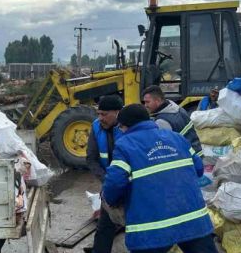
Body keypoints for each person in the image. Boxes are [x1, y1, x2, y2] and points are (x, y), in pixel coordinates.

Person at [103, 104, 217, 253]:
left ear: (125, 126)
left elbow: (115, 183)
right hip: (192, 220)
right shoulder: (177, 138)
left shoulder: (125, 145)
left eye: (121, 127)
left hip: (152, 227)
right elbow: (198, 169)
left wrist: (109, 200)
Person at [85, 95, 124, 253]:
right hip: (110, 185)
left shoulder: (127, 127)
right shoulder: (96, 127)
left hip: (131, 186)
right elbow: (91, 159)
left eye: (104, 114)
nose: (100, 118)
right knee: (104, 228)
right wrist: (107, 180)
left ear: (117, 113)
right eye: (98, 113)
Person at [142, 85, 201, 155]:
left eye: (147, 102)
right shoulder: (179, 109)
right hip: (197, 152)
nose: (145, 105)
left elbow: (164, 149)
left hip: (187, 157)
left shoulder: (161, 121)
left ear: (157, 101)